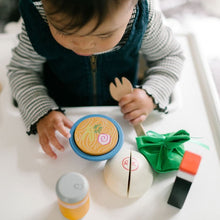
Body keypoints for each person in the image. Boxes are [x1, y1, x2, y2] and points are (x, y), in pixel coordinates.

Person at [7, 0, 184, 159]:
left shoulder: (144, 21)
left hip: (121, 112)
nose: (83, 46)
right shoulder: (38, 21)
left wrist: (151, 95)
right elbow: (22, 70)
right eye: (63, 31)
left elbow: (170, 57)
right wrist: (41, 110)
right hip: (63, 111)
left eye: (104, 35)